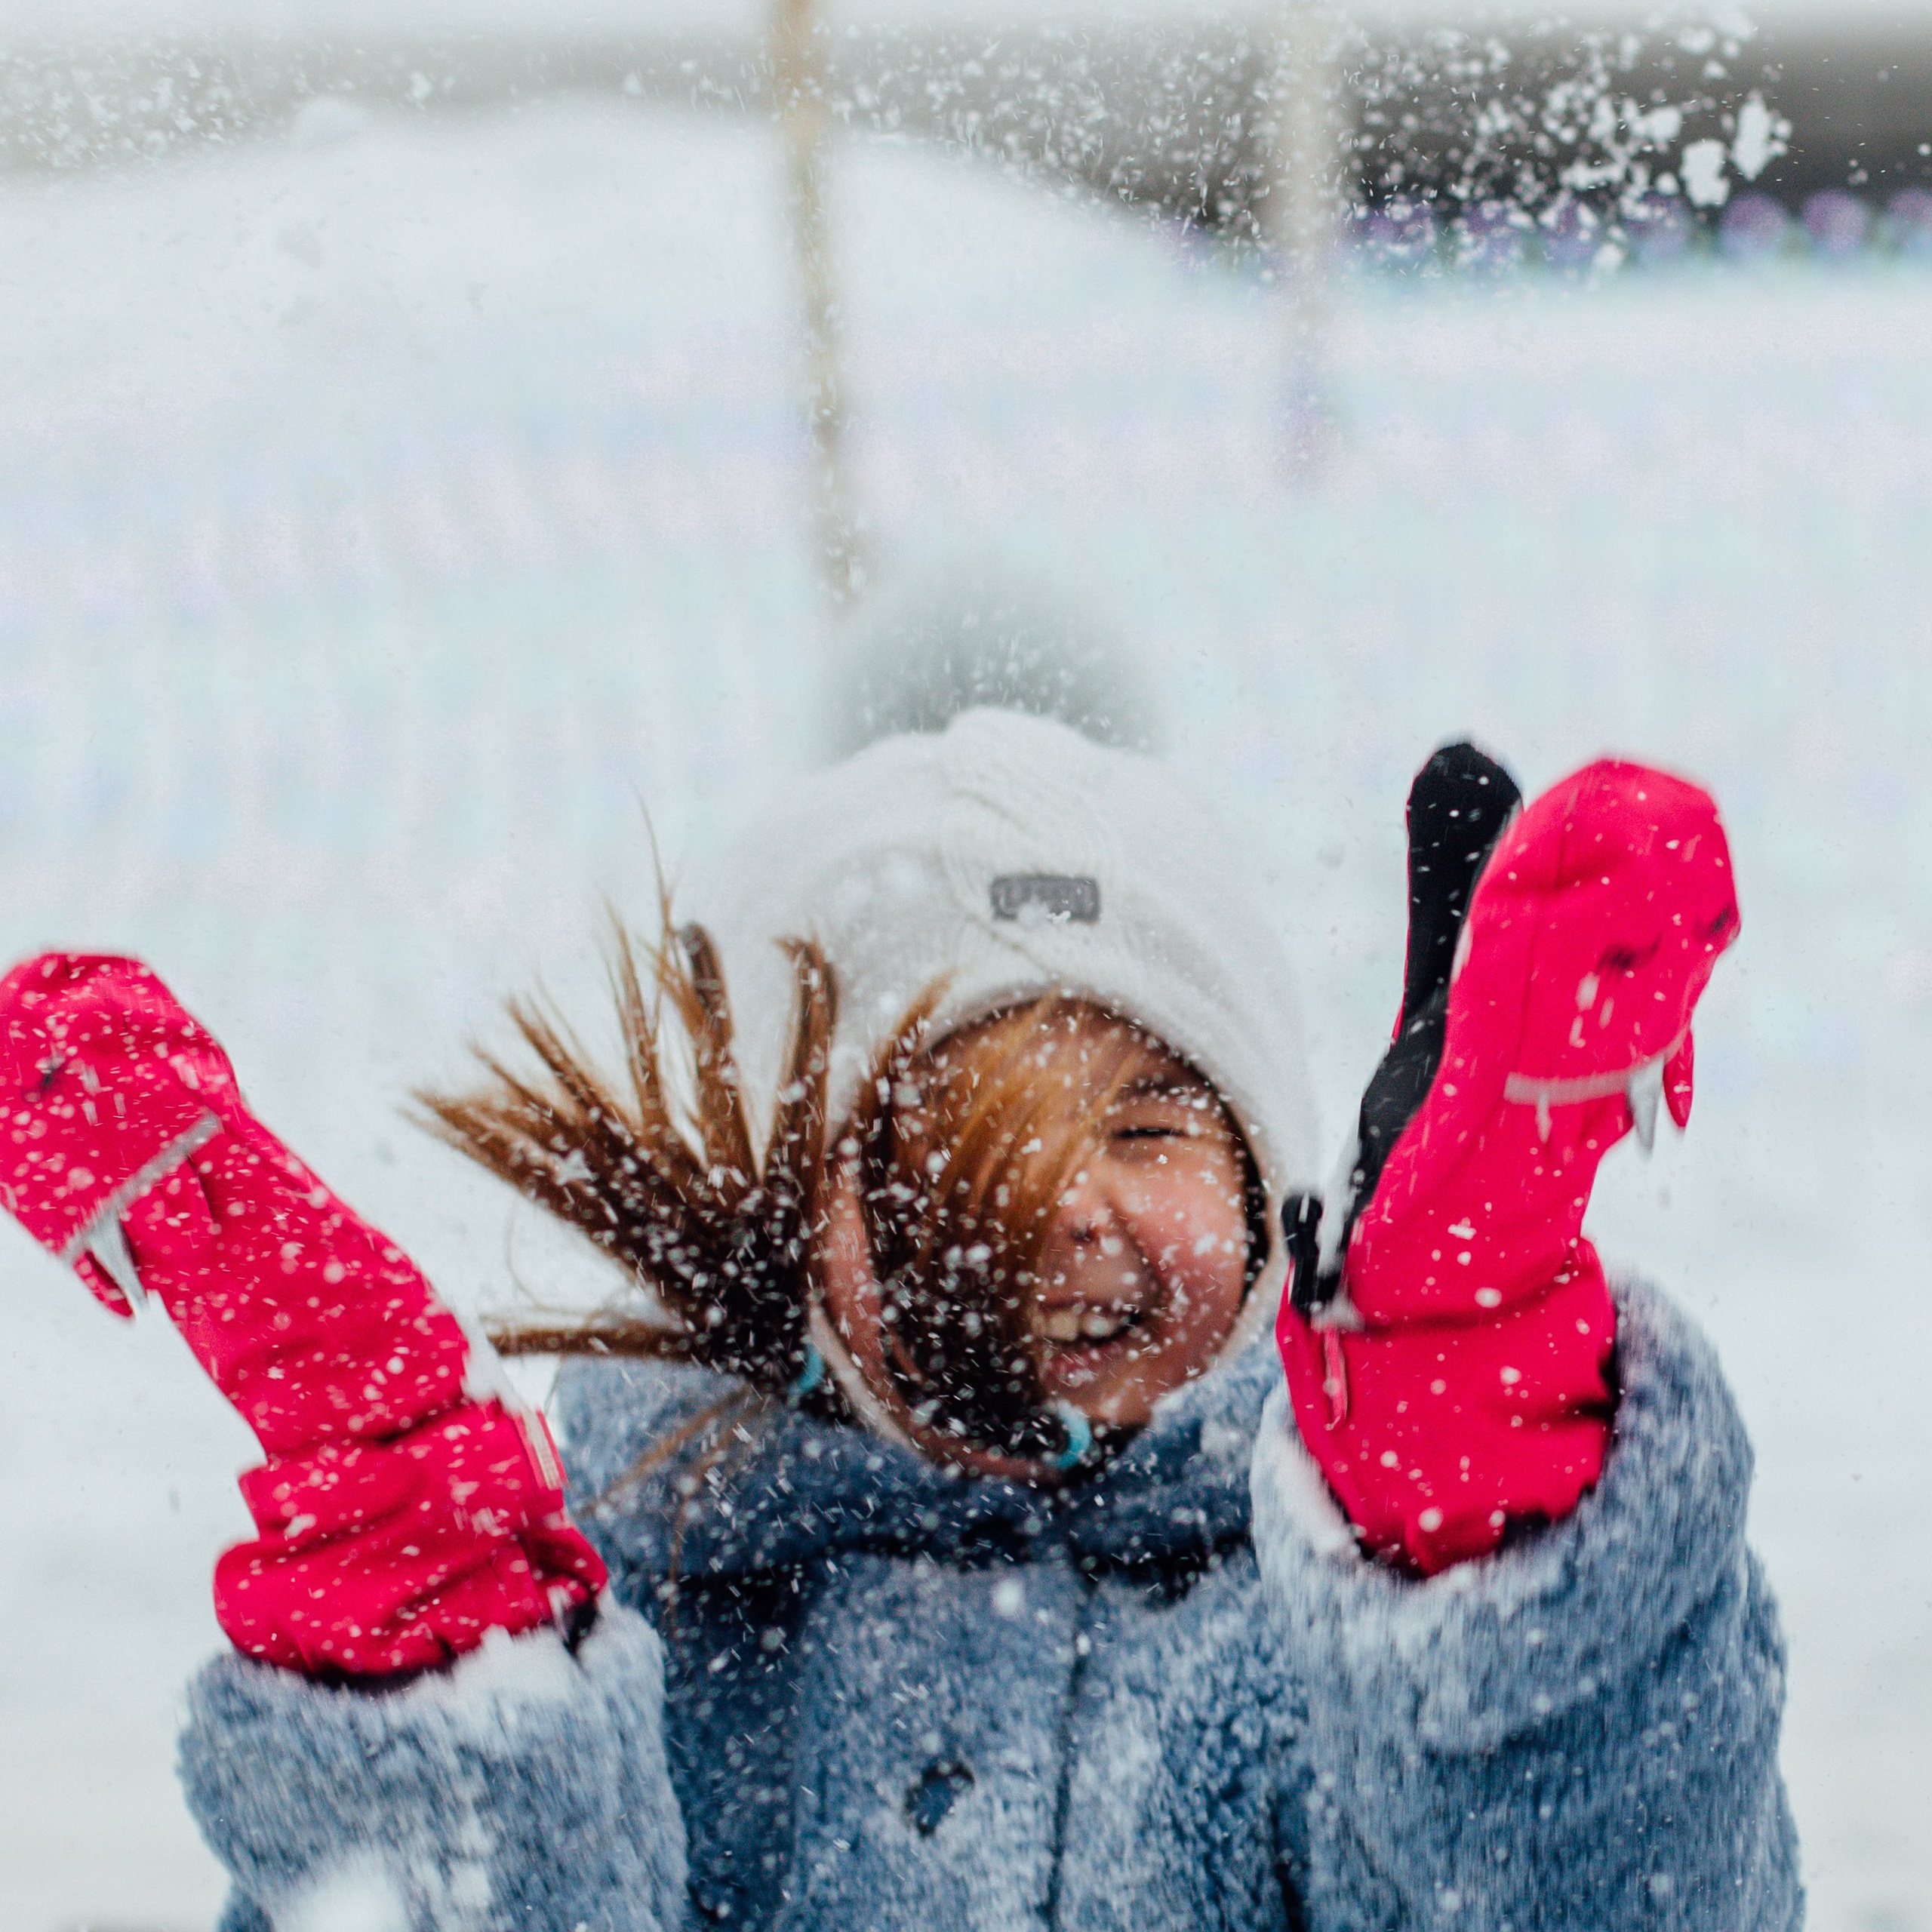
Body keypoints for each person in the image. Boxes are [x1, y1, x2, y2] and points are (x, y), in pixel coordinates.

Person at [0, 696, 1799, 1932]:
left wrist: (1486, 1488)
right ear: (787, 1227)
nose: (1075, 1203)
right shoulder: (656, 1627)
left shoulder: (1310, 1634)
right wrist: (421, 1600)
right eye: (958, 1149)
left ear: (1267, 1200)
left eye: (1152, 1121)